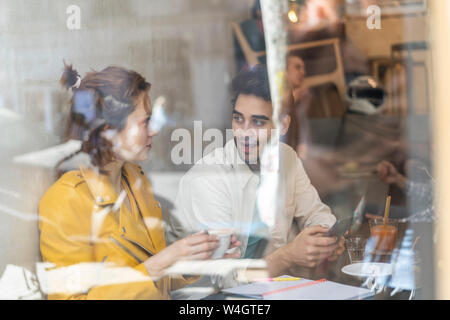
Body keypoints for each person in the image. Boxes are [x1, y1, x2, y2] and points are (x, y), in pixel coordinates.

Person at [38, 64, 239, 299]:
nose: (154, 130)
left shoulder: (134, 180)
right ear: (108, 130)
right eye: (146, 122)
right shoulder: (66, 201)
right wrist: (161, 263)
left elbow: (155, 278)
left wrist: (196, 257)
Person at [169, 65, 344, 278]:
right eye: (238, 119)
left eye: (258, 122)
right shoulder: (209, 178)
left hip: (266, 288)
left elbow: (315, 213)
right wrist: (288, 256)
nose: (245, 133)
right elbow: (223, 279)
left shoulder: (287, 158)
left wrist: (325, 239)